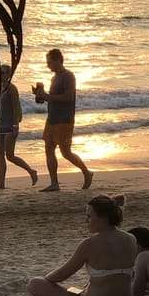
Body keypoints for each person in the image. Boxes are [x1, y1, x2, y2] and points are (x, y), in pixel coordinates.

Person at [27, 195, 137, 296]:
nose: (86, 221)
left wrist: (46, 282)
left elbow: (60, 275)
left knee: (35, 284)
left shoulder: (89, 244)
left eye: (89, 216)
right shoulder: (131, 239)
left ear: (103, 218)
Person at [33, 48, 93, 192]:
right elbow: (51, 99)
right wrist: (40, 95)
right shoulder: (54, 78)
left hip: (64, 120)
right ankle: (54, 183)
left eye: (50, 62)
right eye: (47, 62)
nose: (48, 65)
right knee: (48, 149)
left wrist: (47, 96)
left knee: (66, 152)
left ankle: (86, 172)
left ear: (58, 60)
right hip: (52, 118)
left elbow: (68, 97)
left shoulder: (68, 76)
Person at [0, 64, 37, 190]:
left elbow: (16, 107)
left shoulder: (12, 88)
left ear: (9, 74)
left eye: (4, 72)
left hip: (10, 125)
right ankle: (1, 183)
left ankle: (31, 171)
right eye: (0, 72)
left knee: (10, 156)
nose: (1, 75)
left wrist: (16, 125)